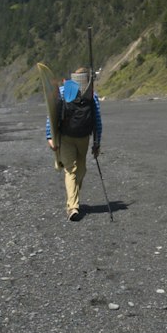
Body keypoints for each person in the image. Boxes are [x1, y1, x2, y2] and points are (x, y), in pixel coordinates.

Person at [46, 67, 101, 221]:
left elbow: (51, 114)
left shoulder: (66, 92)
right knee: (75, 170)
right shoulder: (91, 95)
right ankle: (73, 206)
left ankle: (72, 202)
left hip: (74, 138)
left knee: (77, 171)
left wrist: (50, 136)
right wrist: (97, 143)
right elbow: (97, 122)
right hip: (75, 138)